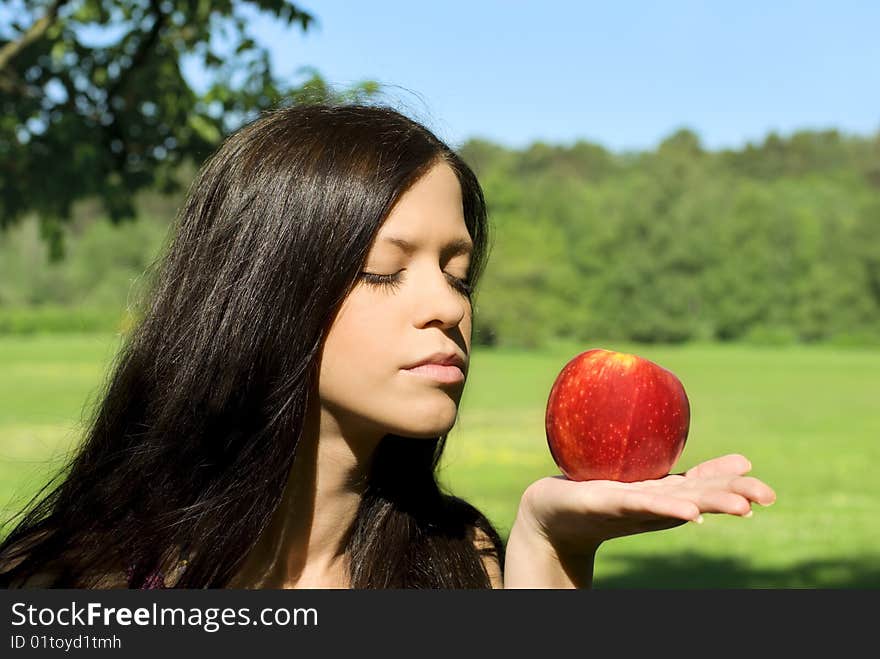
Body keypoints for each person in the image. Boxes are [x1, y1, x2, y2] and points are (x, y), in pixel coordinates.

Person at [0, 103, 775, 589]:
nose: (447, 306)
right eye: (383, 270)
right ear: (261, 294)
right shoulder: (68, 583)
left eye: (459, 274)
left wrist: (550, 542)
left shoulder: (458, 563)